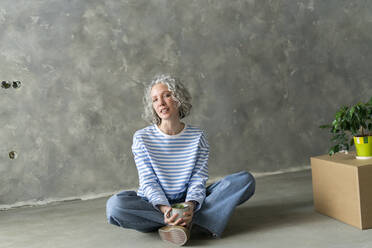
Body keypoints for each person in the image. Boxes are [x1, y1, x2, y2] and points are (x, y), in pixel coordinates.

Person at [106, 74, 255, 246]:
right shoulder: (142, 138)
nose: (161, 103)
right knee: (116, 205)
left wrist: (190, 205)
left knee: (244, 181)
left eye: (167, 95)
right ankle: (186, 222)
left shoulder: (197, 137)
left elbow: (198, 179)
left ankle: (178, 223)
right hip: (155, 204)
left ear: (179, 99)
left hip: (189, 201)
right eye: (155, 100)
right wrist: (165, 208)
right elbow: (148, 182)